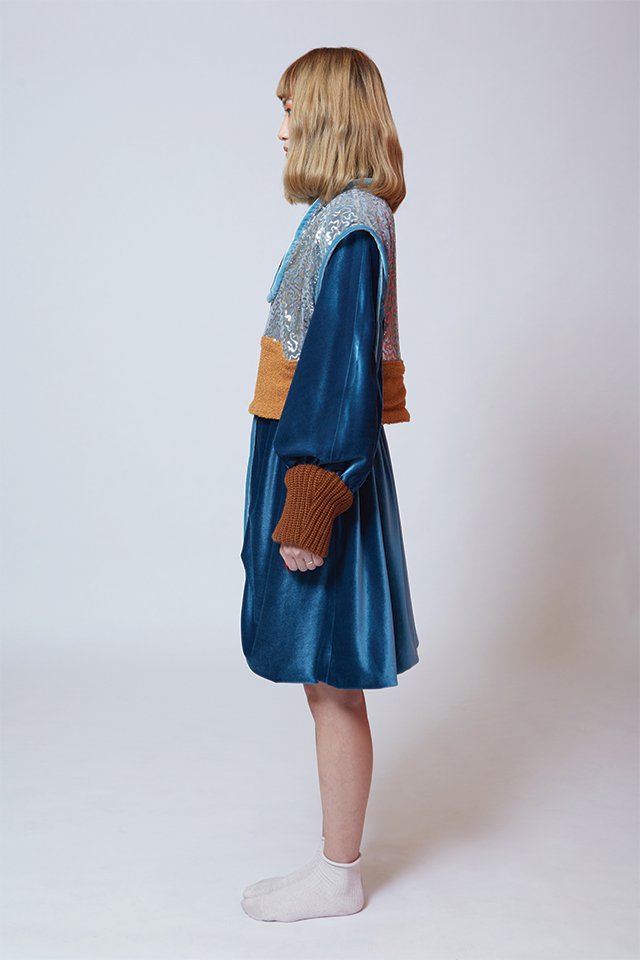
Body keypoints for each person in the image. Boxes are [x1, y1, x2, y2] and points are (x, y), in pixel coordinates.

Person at [239, 47, 420, 923]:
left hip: (321, 471)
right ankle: (333, 866)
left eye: (289, 110)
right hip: (307, 457)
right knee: (323, 677)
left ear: (326, 117)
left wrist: (308, 503)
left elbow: (340, 379)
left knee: (333, 677)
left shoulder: (350, 226)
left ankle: (337, 874)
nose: (279, 129)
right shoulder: (336, 216)